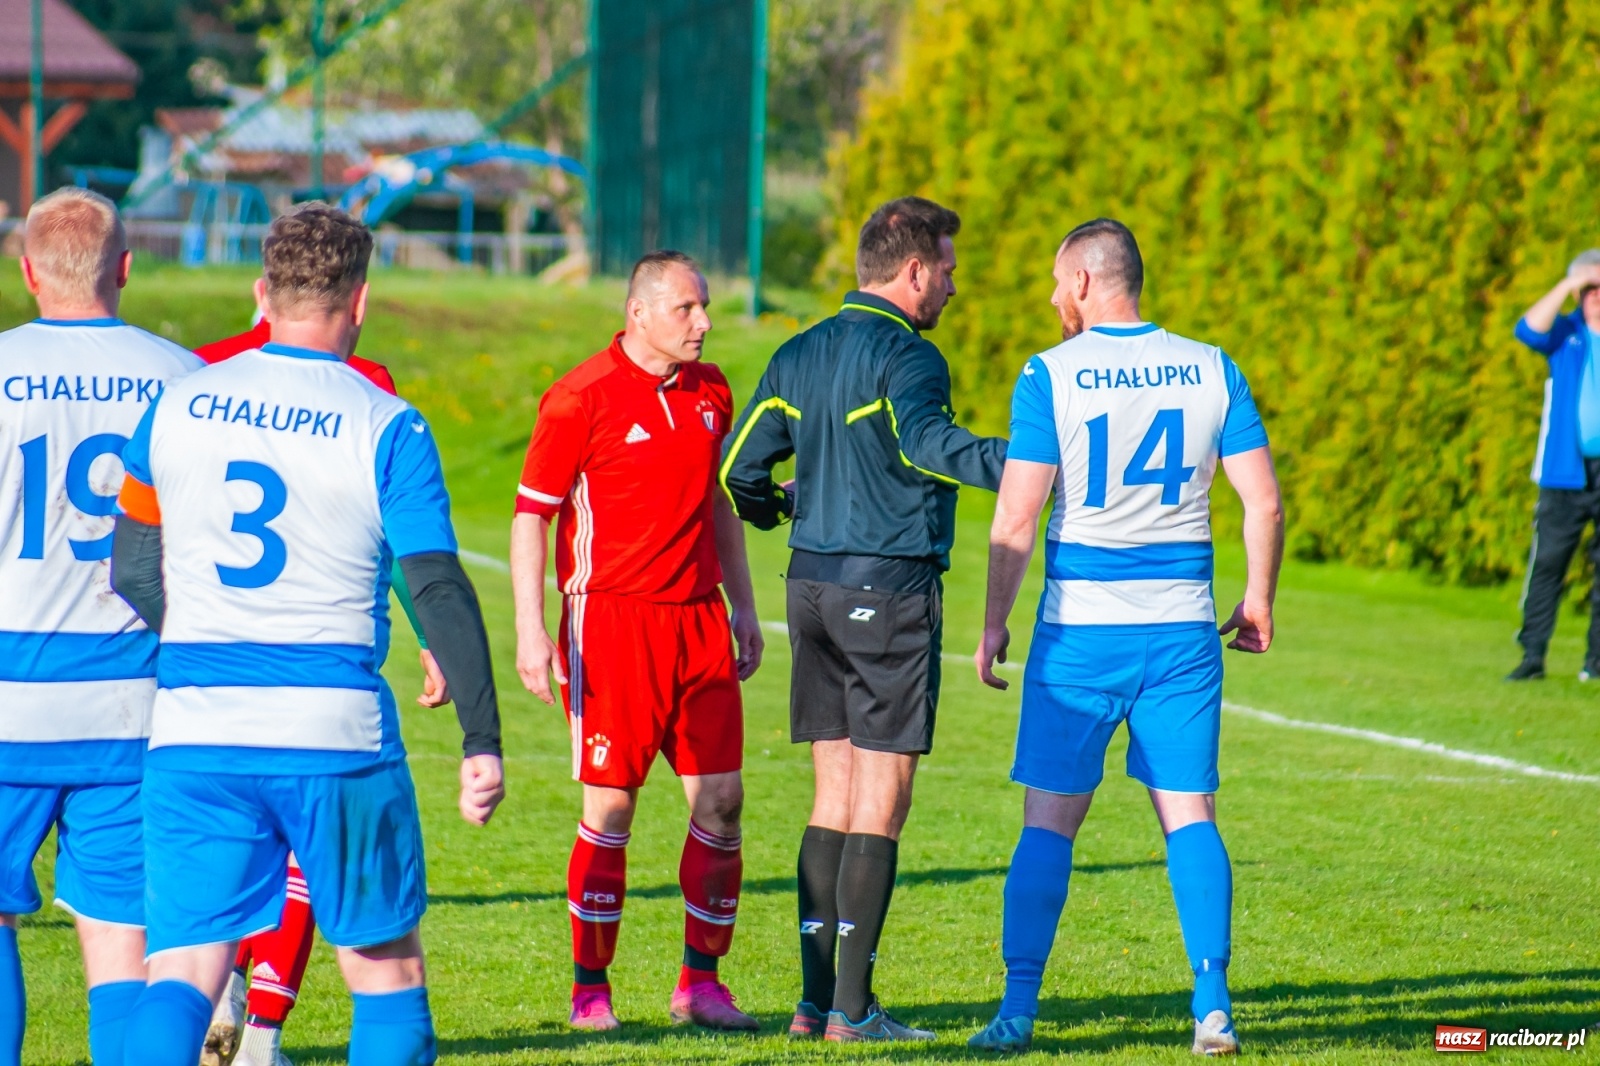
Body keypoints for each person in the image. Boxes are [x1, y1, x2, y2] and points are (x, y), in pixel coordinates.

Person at [108, 202, 505, 1066]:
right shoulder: (386, 421)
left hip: (195, 727)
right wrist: (481, 734)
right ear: (359, 303)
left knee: (180, 969)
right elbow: (434, 582)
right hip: (334, 732)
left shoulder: (175, 406)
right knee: (383, 967)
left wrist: (207, 643)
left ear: (262, 293)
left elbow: (132, 569)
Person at [969, 219, 1282, 1055]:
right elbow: (1265, 503)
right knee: (1191, 818)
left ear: (1080, 281)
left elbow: (1018, 513)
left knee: (1048, 826)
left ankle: (1018, 1010)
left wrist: (995, 620)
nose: (1049, 299)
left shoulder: (1050, 375)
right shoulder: (1214, 367)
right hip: (1181, 632)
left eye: (1052, 282)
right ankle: (1212, 1008)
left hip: (1080, 637)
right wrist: (1257, 599)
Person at [721, 196, 1006, 1043]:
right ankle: (853, 1010)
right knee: (881, 798)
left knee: (832, 793)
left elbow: (739, 469)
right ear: (914, 271)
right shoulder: (910, 355)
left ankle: (813, 1006)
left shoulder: (797, 350)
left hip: (808, 588)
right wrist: (1026, 461)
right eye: (948, 269)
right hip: (887, 591)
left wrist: (776, 509)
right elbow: (925, 444)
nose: (953, 285)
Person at [510, 250, 764, 1033]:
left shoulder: (713, 390)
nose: (704, 323)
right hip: (610, 623)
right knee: (612, 807)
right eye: (688, 309)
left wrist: (744, 608)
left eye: (705, 307)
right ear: (641, 312)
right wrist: (530, 631)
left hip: (698, 619)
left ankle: (701, 983)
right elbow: (531, 516)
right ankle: (591, 989)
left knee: (722, 803)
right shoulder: (578, 398)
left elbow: (718, 503)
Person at [193, 307, 447, 1066]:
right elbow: (402, 535)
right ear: (355, 300)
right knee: (307, 859)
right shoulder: (367, 387)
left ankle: (217, 1005)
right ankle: (260, 1039)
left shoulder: (196, 370)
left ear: (263, 288)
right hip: (319, 674)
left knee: (220, 849)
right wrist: (435, 639)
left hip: (203, 667)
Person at [0, 187, 201, 1066]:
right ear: (125, 268)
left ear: (28, 271)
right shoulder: (188, 379)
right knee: (122, 934)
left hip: (6, 699)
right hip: (132, 700)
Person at [1507, 250, 1600, 681]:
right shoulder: (1567, 336)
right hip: (1566, 471)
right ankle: (1532, 657)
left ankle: (1595, 663)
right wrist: (1567, 284)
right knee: (1548, 565)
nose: (1597, 296)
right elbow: (1527, 330)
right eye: (1591, 289)